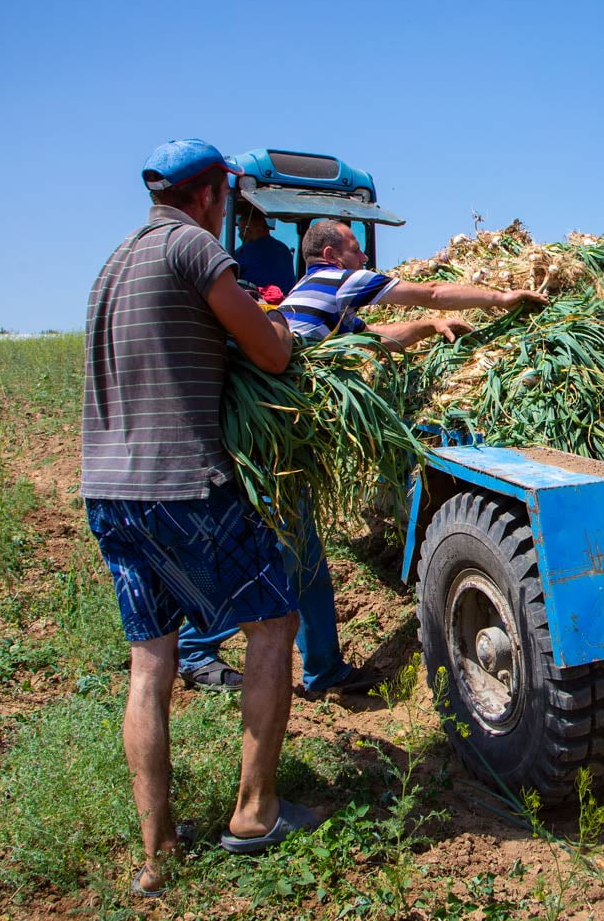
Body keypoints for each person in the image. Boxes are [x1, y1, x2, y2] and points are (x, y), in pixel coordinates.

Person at [83, 139, 320, 895]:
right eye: (226, 193)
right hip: (183, 485)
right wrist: (277, 330)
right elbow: (270, 352)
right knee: (275, 624)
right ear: (212, 192)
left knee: (150, 661)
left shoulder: (116, 260)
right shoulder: (192, 247)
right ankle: (254, 811)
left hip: (108, 491)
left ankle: (158, 852)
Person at [176, 217, 548, 695]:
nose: (365, 259)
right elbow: (430, 290)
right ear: (331, 255)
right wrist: (502, 298)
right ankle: (193, 646)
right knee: (278, 557)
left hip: (286, 445)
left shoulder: (314, 301)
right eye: (356, 249)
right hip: (271, 449)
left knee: (304, 559)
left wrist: (430, 328)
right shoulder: (333, 281)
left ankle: (324, 670)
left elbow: (376, 336)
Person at [233, 204, 297, 293]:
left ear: (261, 229)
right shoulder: (283, 248)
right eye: (240, 231)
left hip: (255, 300)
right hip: (284, 300)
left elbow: (229, 272)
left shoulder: (248, 250)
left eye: (245, 231)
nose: (240, 235)